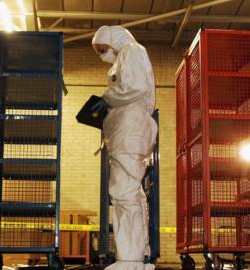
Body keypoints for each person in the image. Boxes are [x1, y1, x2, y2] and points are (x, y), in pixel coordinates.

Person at [91, 25, 157, 270]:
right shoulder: (127, 56)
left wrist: (107, 100)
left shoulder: (132, 51)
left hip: (131, 130)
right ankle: (136, 257)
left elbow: (136, 88)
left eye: (102, 49)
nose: (102, 55)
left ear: (113, 40)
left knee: (123, 193)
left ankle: (129, 261)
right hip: (130, 130)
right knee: (132, 193)